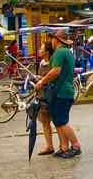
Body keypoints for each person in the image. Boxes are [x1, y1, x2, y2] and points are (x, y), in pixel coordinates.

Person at [33, 29, 81, 159]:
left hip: (62, 92)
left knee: (62, 121)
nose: (51, 42)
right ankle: (63, 147)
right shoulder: (67, 52)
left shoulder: (60, 52)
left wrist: (42, 81)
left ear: (57, 40)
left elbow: (56, 71)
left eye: (52, 39)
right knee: (58, 122)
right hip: (63, 91)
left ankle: (76, 145)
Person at [35, 43, 56, 156]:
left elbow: (52, 77)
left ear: (47, 52)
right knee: (44, 122)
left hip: (51, 95)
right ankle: (49, 146)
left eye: (41, 49)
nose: (39, 50)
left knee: (58, 122)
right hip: (41, 96)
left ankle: (65, 145)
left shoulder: (52, 63)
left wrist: (42, 79)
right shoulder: (41, 63)